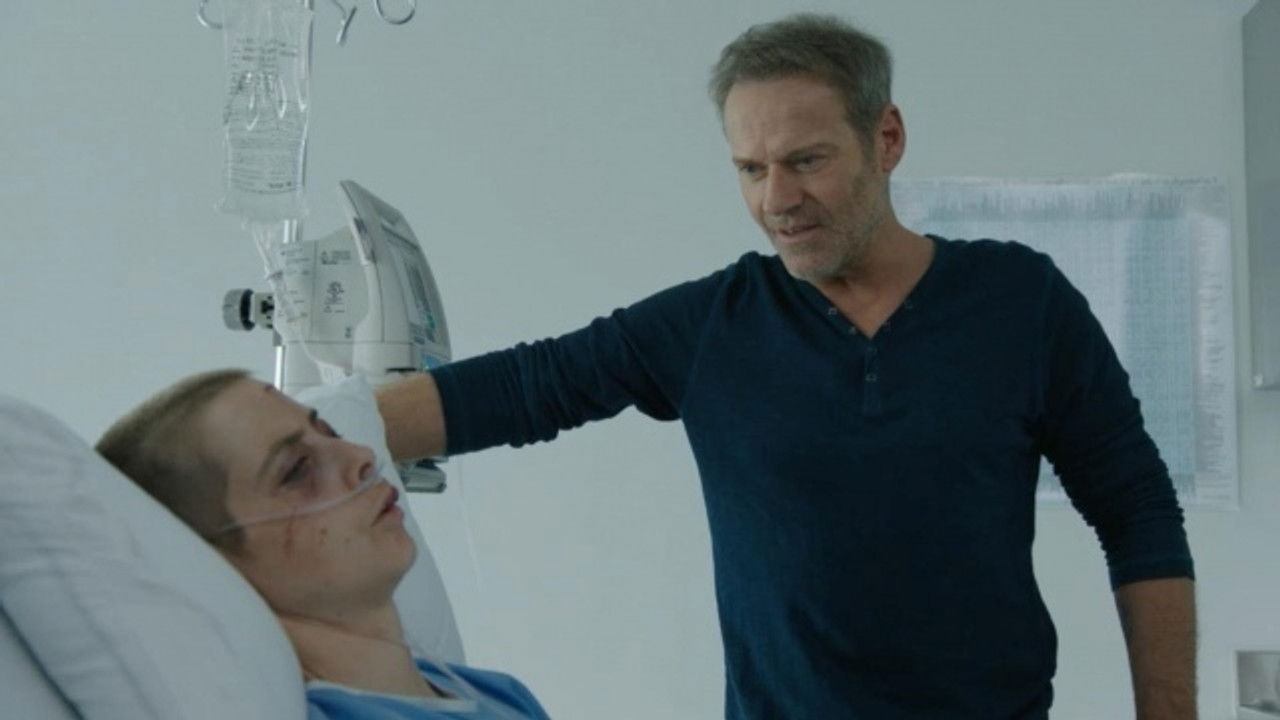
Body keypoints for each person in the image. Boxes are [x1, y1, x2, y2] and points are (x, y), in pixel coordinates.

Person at [378, 13, 1196, 720]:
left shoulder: (1021, 301)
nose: (777, 199)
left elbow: (1138, 513)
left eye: (806, 160)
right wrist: (324, 428)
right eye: (750, 168)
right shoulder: (712, 324)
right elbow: (529, 387)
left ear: (886, 139)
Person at [96, 369, 552, 720]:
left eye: (330, 431)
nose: (361, 456)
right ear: (210, 566)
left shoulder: (492, 693)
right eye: (297, 470)